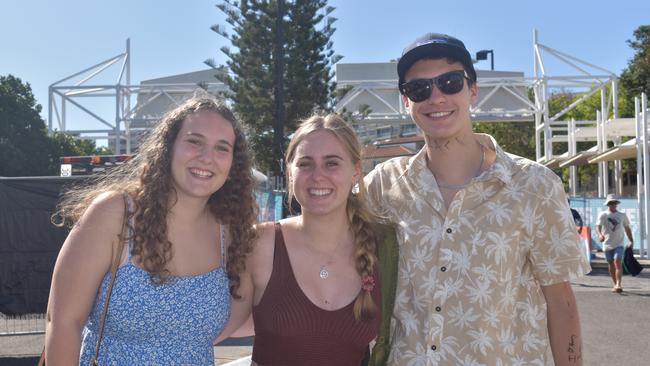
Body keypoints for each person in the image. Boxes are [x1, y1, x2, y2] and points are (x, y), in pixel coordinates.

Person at [365, 33, 591, 366]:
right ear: (406, 101)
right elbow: (318, 231)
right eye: (419, 89)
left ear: (472, 89)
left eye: (450, 82)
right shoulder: (383, 185)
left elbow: (561, 303)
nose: (437, 97)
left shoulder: (535, 185)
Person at [44, 96, 258, 365]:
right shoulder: (116, 214)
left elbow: (231, 319)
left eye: (222, 148)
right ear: (168, 147)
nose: (207, 158)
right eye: (194, 141)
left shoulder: (231, 236)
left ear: (233, 164)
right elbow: (63, 321)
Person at [218, 114, 382, 366]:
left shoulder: (382, 247)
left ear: (356, 171)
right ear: (290, 172)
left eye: (332, 163)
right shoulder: (260, 243)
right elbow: (216, 324)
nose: (318, 176)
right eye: (305, 163)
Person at [596, 194, 634, 293]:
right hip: (607, 243)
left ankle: (618, 284)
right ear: (607, 204)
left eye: (614, 203)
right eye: (610, 203)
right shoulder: (603, 214)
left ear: (616, 204)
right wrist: (600, 235)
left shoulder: (622, 215)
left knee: (617, 261)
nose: (612, 205)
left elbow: (627, 228)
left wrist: (631, 240)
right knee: (610, 263)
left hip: (619, 243)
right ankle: (614, 283)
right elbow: (598, 226)